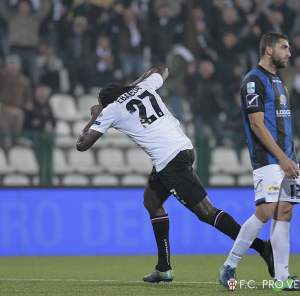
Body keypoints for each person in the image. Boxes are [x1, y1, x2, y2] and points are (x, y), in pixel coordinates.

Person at [76, 65, 274, 283]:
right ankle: (163, 268)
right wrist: (133, 86)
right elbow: (163, 68)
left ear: (107, 102)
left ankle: (262, 247)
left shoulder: (110, 110)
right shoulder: (145, 87)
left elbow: (82, 145)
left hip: (170, 161)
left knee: (206, 213)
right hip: (183, 150)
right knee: (151, 201)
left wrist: (94, 117)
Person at [219, 32, 300, 291]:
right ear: (268, 50)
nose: (289, 53)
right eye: (284, 48)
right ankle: (230, 265)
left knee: (284, 213)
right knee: (265, 212)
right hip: (270, 158)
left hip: (288, 157)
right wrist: (282, 157)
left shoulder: (279, 81)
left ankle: (282, 278)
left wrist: (290, 157)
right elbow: (256, 124)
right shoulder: (254, 81)